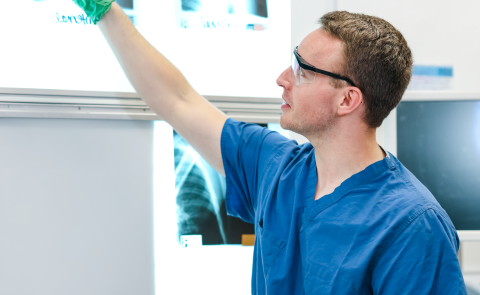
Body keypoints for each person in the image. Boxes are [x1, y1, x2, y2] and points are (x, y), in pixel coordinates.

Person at [73, 1, 467, 294]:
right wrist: (103, 8)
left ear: (347, 100)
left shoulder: (413, 227)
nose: (282, 78)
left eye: (302, 71)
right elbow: (177, 100)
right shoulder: (276, 167)